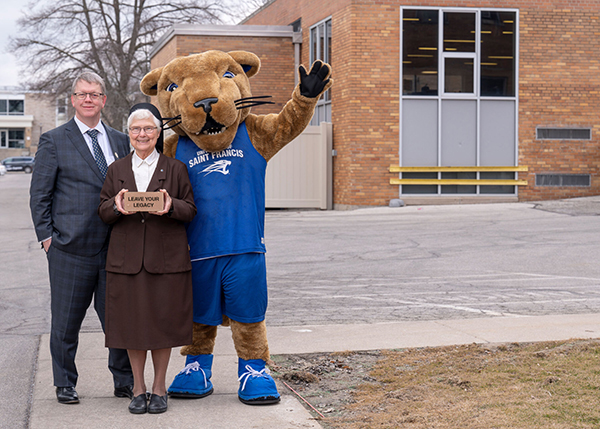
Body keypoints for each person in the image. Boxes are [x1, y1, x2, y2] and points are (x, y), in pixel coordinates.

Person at [29, 72, 134, 404]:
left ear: (104, 100)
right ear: (73, 100)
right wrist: (48, 238)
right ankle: (64, 382)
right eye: (82, 94)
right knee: (65, 322)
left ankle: (124, 381)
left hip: (115, 247)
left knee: (118, 319)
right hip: (69, 249)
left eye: (95, 94)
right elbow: (39, 196)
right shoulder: (54, 140)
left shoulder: (120, 140)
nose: (88, 99)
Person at [98, 104, 196, 414]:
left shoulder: (176, 169)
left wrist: (170, 205)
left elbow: (191, 210)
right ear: (129, 134)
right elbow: (102, 212)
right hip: (127, 262)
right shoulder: (116, 170)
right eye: (137, 129)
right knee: (132, 326)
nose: (143, 134)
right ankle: (138, 389)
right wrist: (115, 206)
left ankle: (159, 388)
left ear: (158, 133)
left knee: (162, 324)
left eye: (148, 129)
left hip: (165, 260)